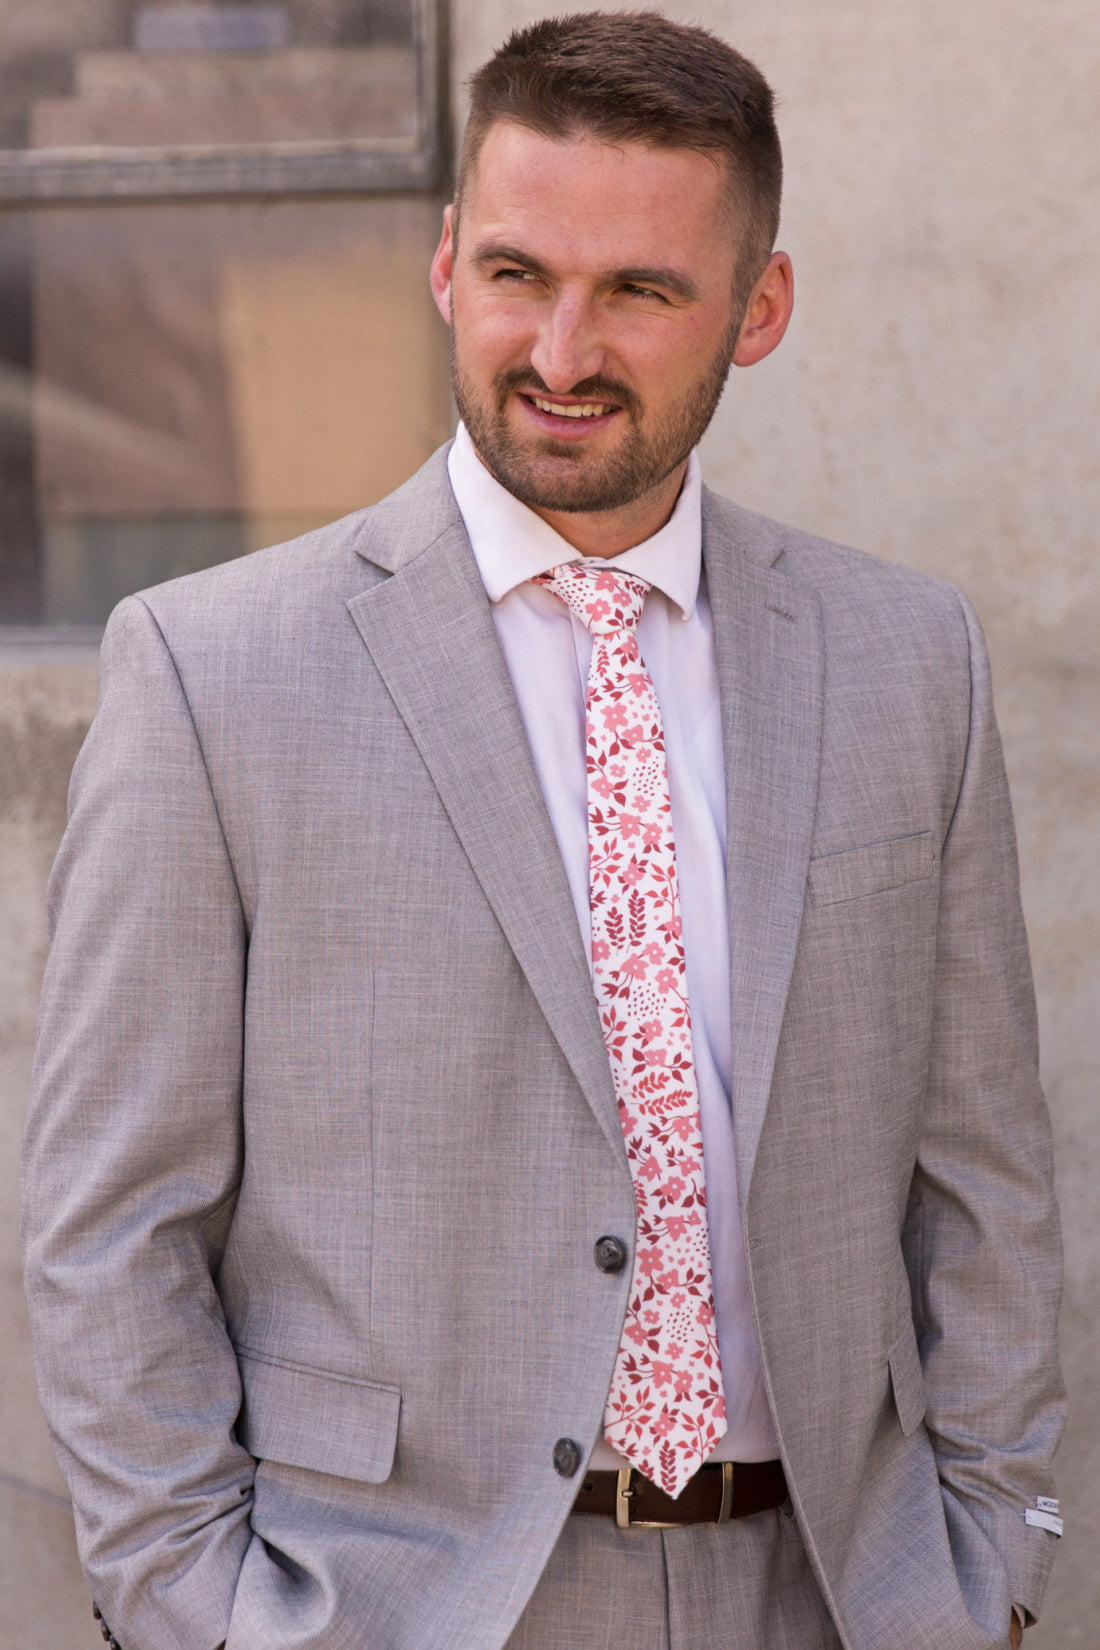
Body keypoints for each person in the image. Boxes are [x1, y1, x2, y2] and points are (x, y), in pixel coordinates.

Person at [22, 12, 1064, 1650]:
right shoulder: (214, 671)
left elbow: (982, 1175)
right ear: (446, 261)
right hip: (389, 1603)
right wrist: (199, 1612)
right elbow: (111, 1222)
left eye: (641, 289)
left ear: (759, 308)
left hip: (836, 1593)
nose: (562, 349)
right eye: (518, 272)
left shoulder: (906, 658)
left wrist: (993, 1559)